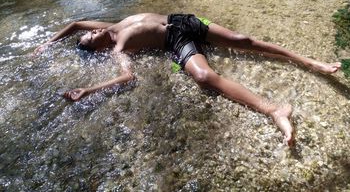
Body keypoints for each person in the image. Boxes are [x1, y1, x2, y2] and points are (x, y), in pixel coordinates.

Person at [34, 13, 341, 146]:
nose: (93, 31)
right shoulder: (118, 49)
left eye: (91, 31)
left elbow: (74, 24)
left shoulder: (111, 26)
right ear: (96, 48)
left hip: (184, 20)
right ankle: (274, 110)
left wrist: (48, 43)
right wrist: (89, 89)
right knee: (204, 76)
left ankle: (307, 60)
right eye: (91, 37)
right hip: (177, 43)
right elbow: (127, 76)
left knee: (243, 39)